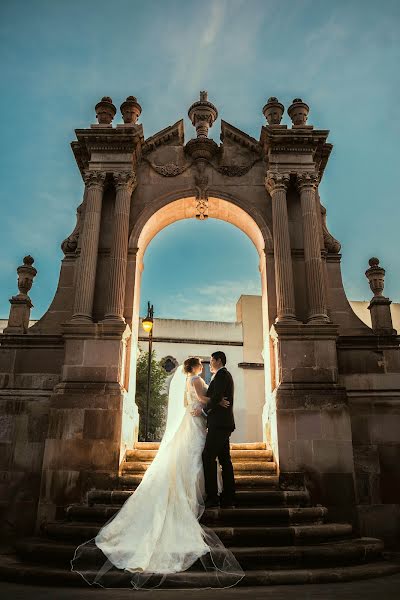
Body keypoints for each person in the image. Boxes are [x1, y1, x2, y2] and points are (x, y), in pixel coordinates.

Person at [70, 356, 243, 590]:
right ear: (194, 367)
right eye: (201, 364)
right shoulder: (197, 380)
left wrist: (208, 405)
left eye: (208, 362)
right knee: (202, 457)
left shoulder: (198, 379)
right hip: (200, 421)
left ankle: (216, 494)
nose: (205, 366)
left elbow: (199, 401)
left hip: (200, 421)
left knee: (204, 457)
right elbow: (205, 399)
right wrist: (212, 403)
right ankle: (210, 494)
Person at [191, 351, 236, 508]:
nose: (209, 364)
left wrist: (203, 411)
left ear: (218, 360)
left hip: (220, 424)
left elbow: (217, 396)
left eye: (211, 360)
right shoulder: (220, 375)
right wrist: (216, 401)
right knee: (224, 460)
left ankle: (213, 497)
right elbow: (217, 398)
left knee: (208, 456)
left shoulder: (223, 375)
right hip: (221, 424)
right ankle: (228, 497)